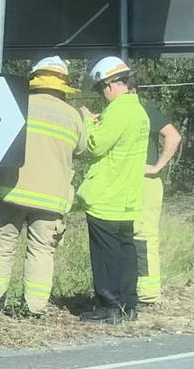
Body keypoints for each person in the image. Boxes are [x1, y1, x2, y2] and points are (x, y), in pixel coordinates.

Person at [0, 56, 88, 317]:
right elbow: (81, 148)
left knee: (2, 245)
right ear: (63, 85)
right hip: (52, 198)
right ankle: (35, 309)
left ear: (35, 79)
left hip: (12, 190)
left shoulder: (19, 106)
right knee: (42, 251)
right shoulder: (73, 116)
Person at [78, 57, 150, 323]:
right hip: (128, 196)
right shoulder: (138, 111)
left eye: (100, 89)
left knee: (105, 256)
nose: (102, 94)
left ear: (110, 84)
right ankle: (128, 305)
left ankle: (109, 306)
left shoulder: (119, 110)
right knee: (126, 252)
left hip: (107, 196)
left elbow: (96, 145)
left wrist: (87, 120)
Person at [130, 81, 182, 305]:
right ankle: (135, 288)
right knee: (131, 237)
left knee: (143, 237)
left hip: (146, 183)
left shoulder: (146, 111)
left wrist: (157, 166)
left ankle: (148, 293)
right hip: (130, 182)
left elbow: (173, 136)